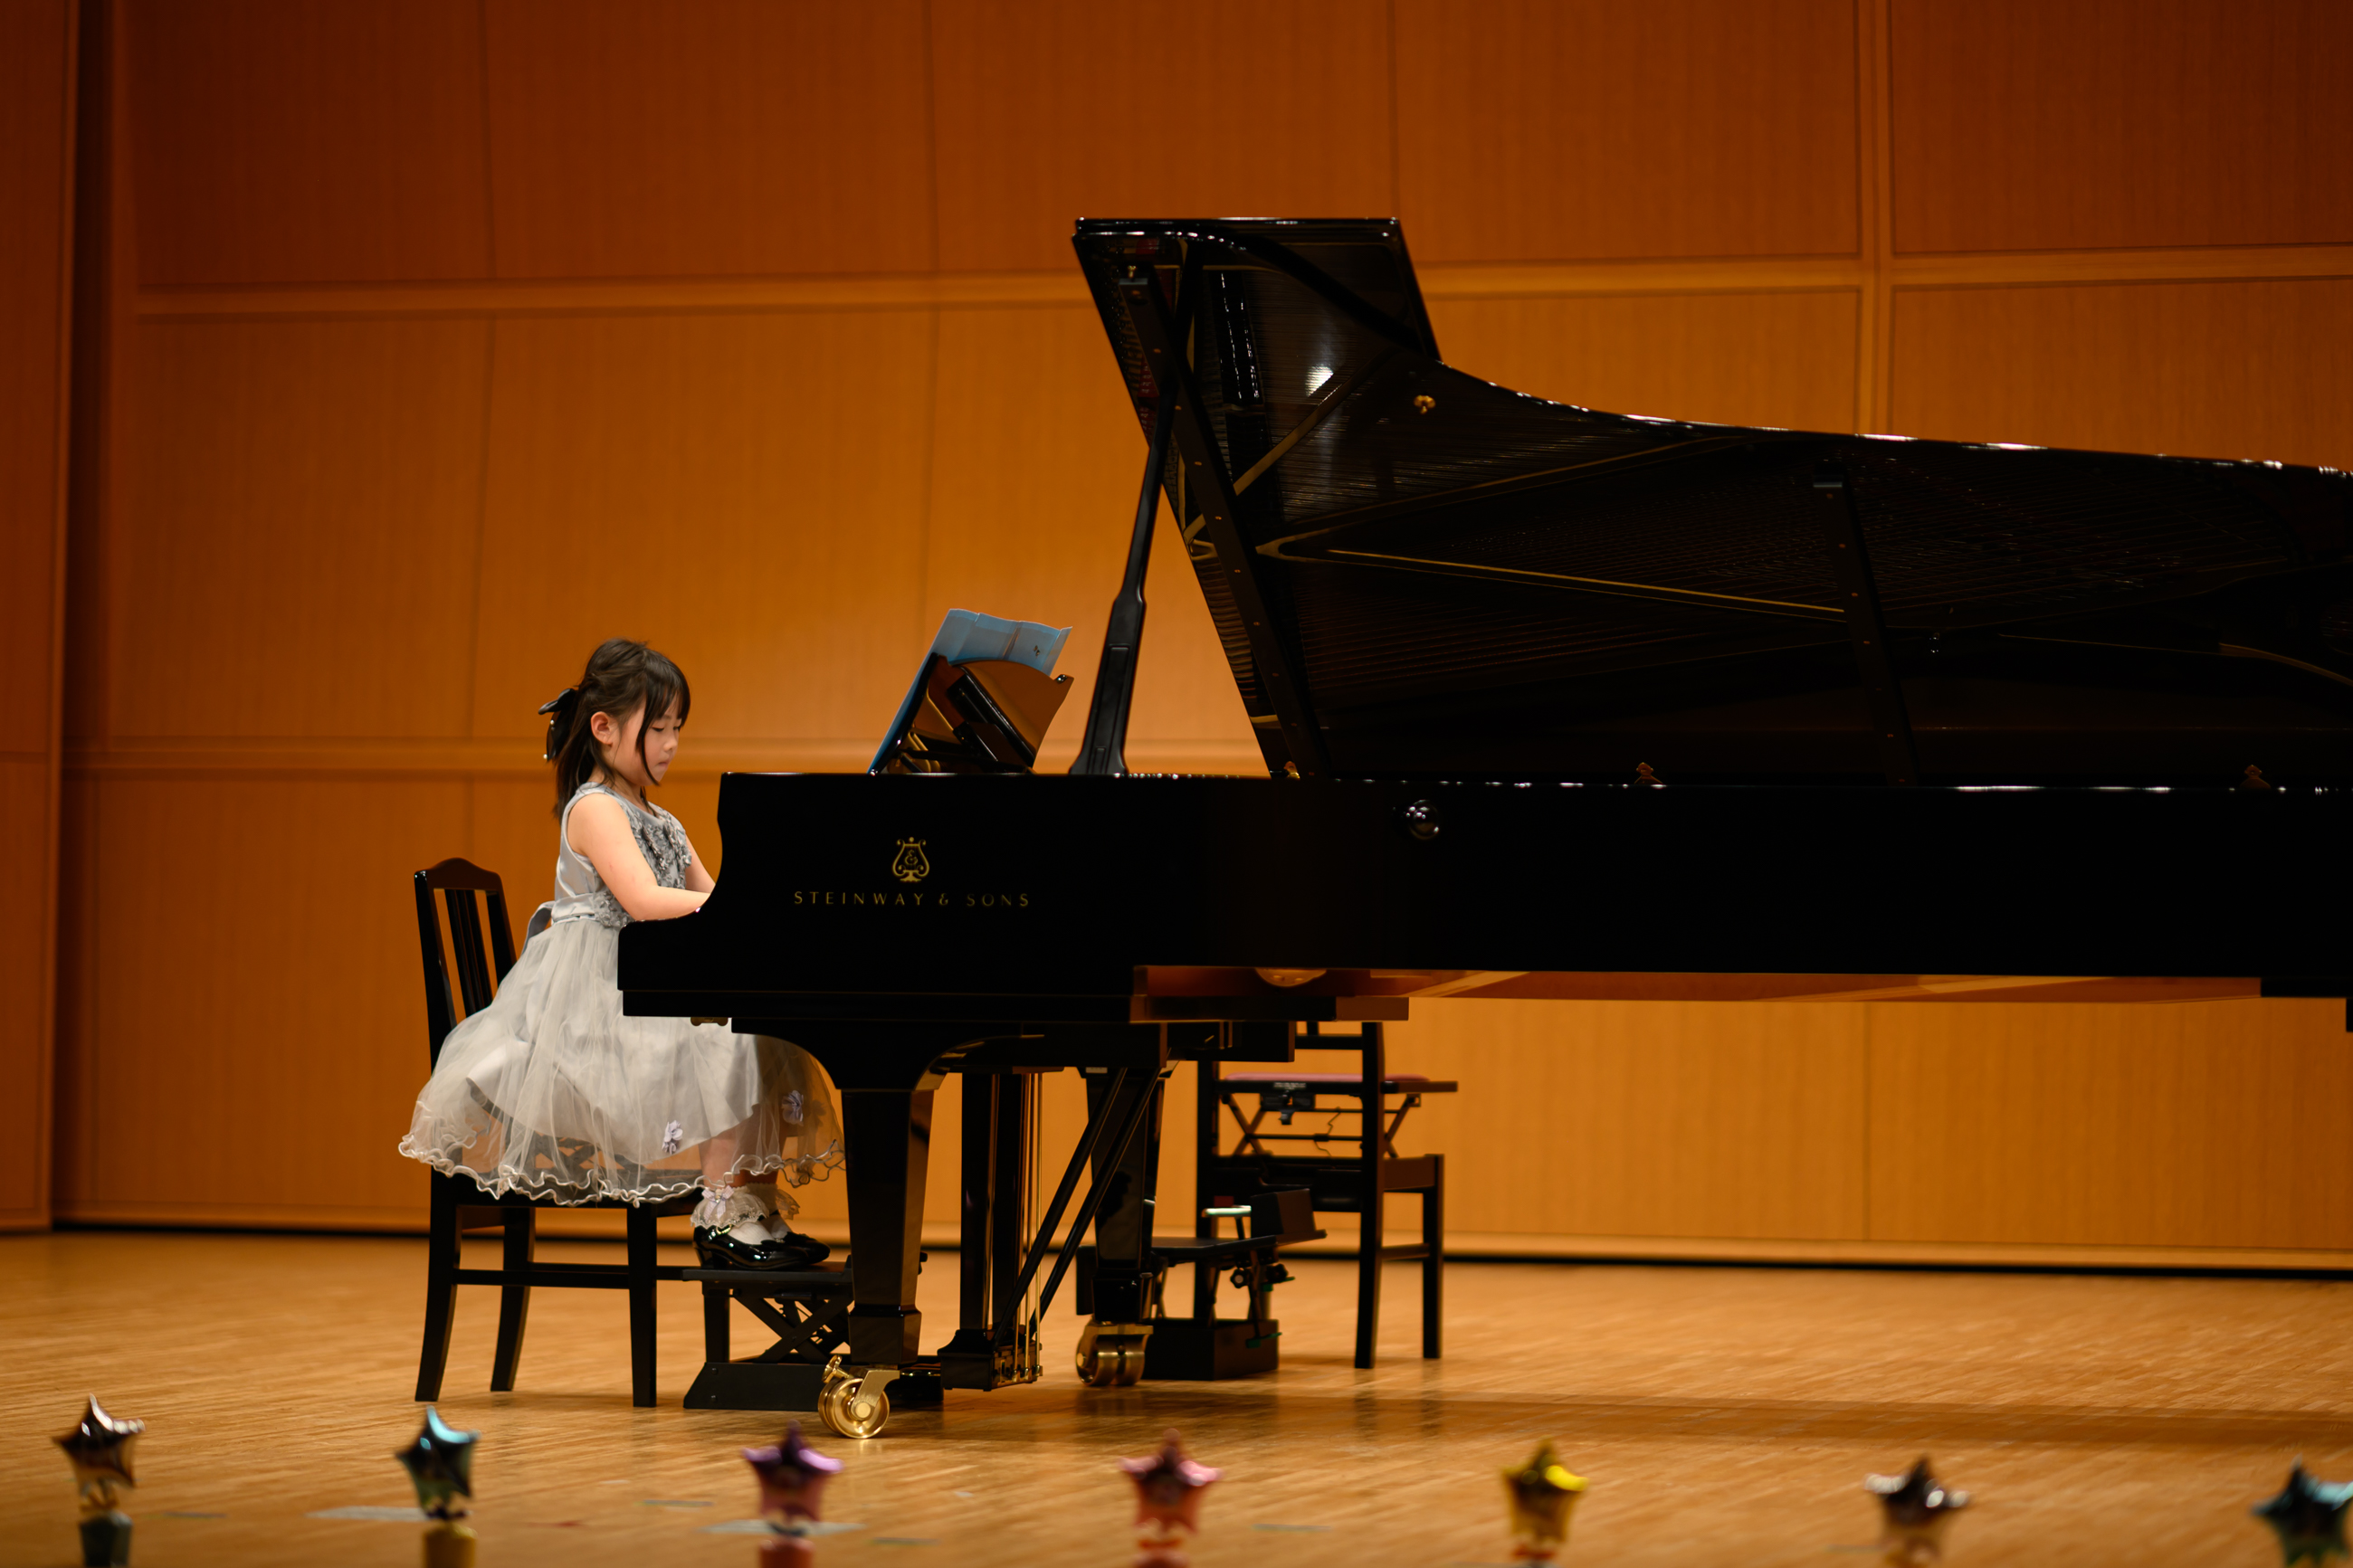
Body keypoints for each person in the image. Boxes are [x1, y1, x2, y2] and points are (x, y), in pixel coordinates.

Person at [400, 638, 841, 1268]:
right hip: (592, 1016)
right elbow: (642, 899)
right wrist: (738, 910)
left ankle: (752, 1207)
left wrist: (765, 911)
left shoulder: (662, 818)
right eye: (657, 727)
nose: (670, 742)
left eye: (677, 728)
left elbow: (712, 896)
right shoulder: (594, 808)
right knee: (729, 1038)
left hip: (638, 998)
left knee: (765, 1028)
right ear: (603, 728)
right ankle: (720, 1214)